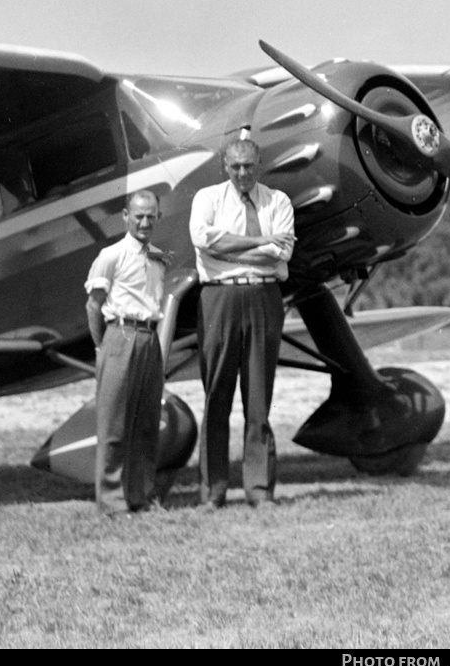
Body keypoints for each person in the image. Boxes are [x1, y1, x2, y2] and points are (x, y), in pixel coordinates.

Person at [189, 133, 295, 507]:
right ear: (224, 166)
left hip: (264, 298)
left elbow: (281, 251)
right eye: (234, 167)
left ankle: (260, 489)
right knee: (217, 394)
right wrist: (259, 244)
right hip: (219, 299)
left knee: (258, 398)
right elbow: (205, 242)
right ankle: (212, 490)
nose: (241, 173)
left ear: (258, 165)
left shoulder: (277, 201)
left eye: (248, 166)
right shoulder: (208, 199)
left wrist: (230, 249)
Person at [84, 189, 170, 515]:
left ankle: (141, 496)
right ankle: (111, 501)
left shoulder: (159, 258)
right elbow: (93, 306)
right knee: (114, 425)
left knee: (146, 423)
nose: (145, 222)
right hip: (119, 335)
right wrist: (101, 346)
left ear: (158, 217)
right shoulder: (111, 255)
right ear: (125, 217)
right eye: (138, 216)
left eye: (151, 216)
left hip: (149, 338)